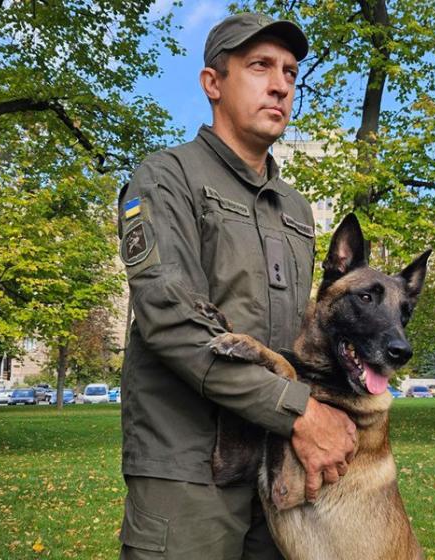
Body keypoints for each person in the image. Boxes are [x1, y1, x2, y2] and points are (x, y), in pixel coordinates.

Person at [117, 13, 356, 559]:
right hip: (189, 475)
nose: (280, 85)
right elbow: (172, 321)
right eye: (260, 66)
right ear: (213, 83)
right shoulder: (166, 178)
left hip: (279, 471)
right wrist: (299, 410)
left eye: (290, 73)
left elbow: (300, 339)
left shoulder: (296, 208)